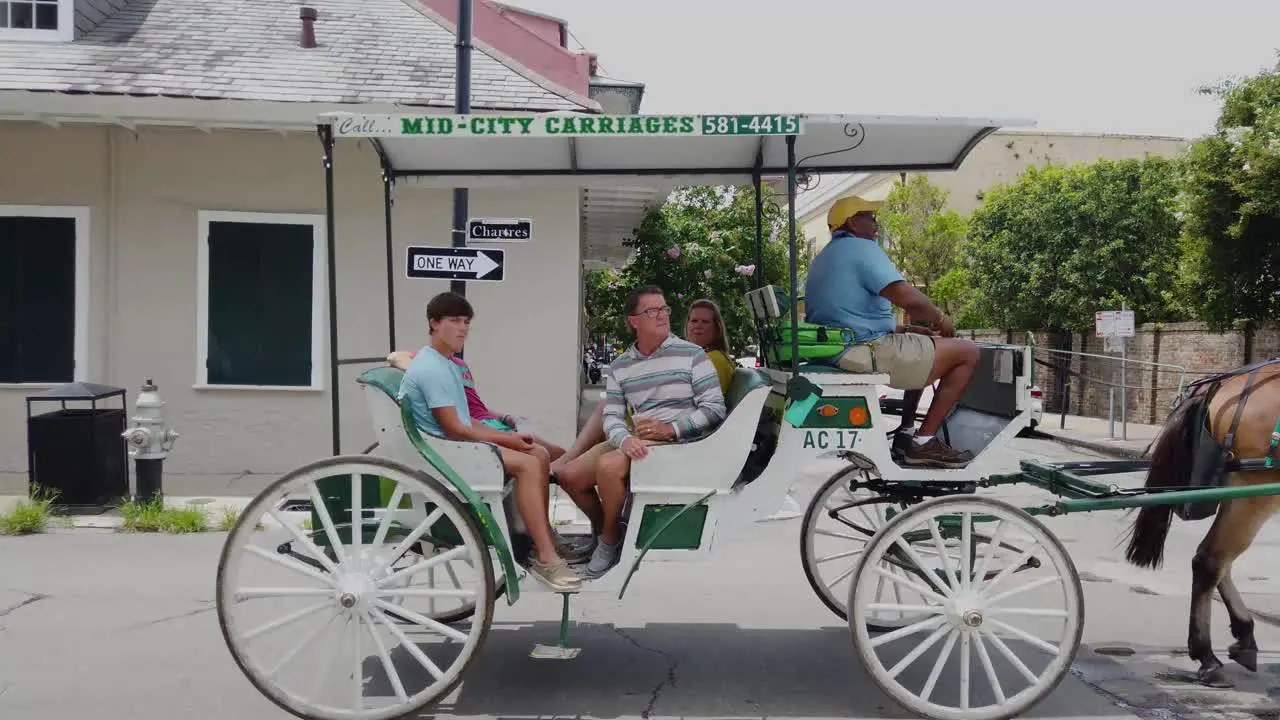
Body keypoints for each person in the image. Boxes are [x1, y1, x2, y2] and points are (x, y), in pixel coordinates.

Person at [396, 291, 583, 591]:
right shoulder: (431, 368)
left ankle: (537, 538)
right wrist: (507, 438)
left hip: (454, 445)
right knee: (528, 463)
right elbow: (456, 428)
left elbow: (467, 422)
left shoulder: (444, 363)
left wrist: (507, 436)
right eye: (454, 321)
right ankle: (545, 556)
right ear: (434, 323)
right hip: (448, 453)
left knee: (536, 454)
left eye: (466, 322)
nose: (463, 328)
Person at [556, 286, 728, 578]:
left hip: (678, 441)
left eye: (664, 309)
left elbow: (714, 408)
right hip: (637, 439)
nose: (662, 316)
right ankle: (605, 531)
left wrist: (670, 429)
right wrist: (624, 439)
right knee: (568, 476)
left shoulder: (692, 355)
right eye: (652, 311)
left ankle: (609, 540)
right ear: (634, 321)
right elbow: (611, 415)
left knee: (609, 467)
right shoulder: (621, 366)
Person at [804, 195, 980, 469]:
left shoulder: (823, 258)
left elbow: (847, 317)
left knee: (922, 345)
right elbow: (903, 295)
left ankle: (906, 431)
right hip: (863, 350)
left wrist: (907, 329)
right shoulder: (862, 249)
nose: (876, 224)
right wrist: (941, 319)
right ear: (852, 222)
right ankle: (923, 442)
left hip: (840, 349)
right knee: (967, 352)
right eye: (870, 217)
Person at [550, 297, 737, 476]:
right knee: (609, 412)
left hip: (682, 437)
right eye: (694, 320)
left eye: (705, 322)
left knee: (607, 422)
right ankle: (570, 460)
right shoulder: (692, 354)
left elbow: (700, 406)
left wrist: (656, 423)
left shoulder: (712, 360)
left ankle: (569, 459)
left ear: (717, 328)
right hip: (653, 430)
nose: (698, 326)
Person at [387, 349, 567, 462]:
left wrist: (503, 417)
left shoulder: (461, 365)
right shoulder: (429, 363)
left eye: (464, 324)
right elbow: (395, 357)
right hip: (476, 429)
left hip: (490, 423)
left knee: (561, 454)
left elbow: (476, 406)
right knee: (539, 454)